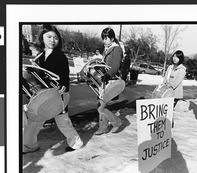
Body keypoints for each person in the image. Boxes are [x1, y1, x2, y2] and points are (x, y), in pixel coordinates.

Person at [23, 24, 83, 153]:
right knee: (35, 120)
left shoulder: (60, 56)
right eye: (49, 37)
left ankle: (76, 143)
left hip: (58, 95)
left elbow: (65, 74)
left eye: (55, 37)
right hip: (43, 95)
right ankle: (29, 145)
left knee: (63, 122)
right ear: (41, 38)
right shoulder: (40, 55)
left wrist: (64, 86)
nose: (52, 40)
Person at [94, 27, 124, 135]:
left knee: (101, 106)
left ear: (112, 38)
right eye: (103, 38)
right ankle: (104, 127)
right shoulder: (107, 48)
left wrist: (108, 75)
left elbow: (115, 66)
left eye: (106, 38)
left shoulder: (116, 49)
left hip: (110, 80)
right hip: (104, 81)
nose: (104, 40)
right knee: (100, 104)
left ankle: (117, 122)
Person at [162, 50, 186, 127]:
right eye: (174, 56)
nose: (175, 59)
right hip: (166, 90)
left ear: (180, 59)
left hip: (175, 93)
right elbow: (166, 77)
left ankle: (169, 124)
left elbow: (178, 81)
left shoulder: (182, 69)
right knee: (165, 108)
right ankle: (165, 123)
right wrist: (164, 84)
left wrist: (170, 85)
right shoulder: (170, 67)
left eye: (177, 57)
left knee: (169, 109)